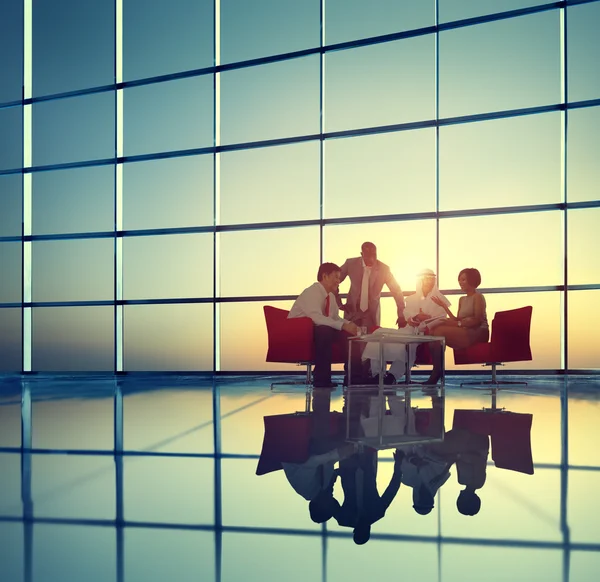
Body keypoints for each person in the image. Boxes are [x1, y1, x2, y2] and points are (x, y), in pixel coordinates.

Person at [361, 269, 450, 384]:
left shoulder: (441, 299)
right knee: (379, 334)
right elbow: (407, 314)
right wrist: (416, 317)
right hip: (409, 329)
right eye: (427, 279)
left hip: (425, 333)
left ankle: (392, 376)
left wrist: (425, 321)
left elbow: (442, 318)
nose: (430, 281)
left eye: (432, 279)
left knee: (407, 344)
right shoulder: (412, 298)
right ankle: (378, 374)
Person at [289, 262, 359, 388]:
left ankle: (353, 378)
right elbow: (315, 317)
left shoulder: (330, 296)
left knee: (349, 335)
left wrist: (349, 325)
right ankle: (321, 380)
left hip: (317, 329)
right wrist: (342, 326)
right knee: (324, 331)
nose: (339, 281)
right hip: (300, 331)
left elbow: (335, 317)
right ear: (325, 276)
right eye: (336, 277)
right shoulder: (312, 292)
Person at [424, 267, 489, 385]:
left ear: (472, 280)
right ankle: (437, 369)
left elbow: (477, 320)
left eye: (463, 280)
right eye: (459, 280)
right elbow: (457, 319)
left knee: (440, 332)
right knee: (435, 330)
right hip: (465, 329)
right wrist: (444, 307)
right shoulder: (462, 299)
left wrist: (457, 324)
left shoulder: (478, 297)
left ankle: (436, 372)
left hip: (478, 332)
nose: (460, 282)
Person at [333, 448, 404, 544]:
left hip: (348, 467)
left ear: (355, 530)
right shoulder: (377, 513)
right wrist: (398, 465)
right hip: (367, 463)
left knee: (346, 438)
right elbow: (392, 488)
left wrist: (334, 475)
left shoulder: (344, 519)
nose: (365, 527)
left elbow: (327, 501)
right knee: (368, 437)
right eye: (365, 530)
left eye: (361, 530)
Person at [337, 242, 406, 330]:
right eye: (368, 256)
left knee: (370, 341)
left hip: (371, 314)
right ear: (362, 254)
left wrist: (401, 315)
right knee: (349, 339)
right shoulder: (350, 263)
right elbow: (333, 281)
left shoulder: (384, 269)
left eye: (374, 255)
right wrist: (339, 303)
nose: (372, 259)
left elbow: (396, 291)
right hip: (352, 311)